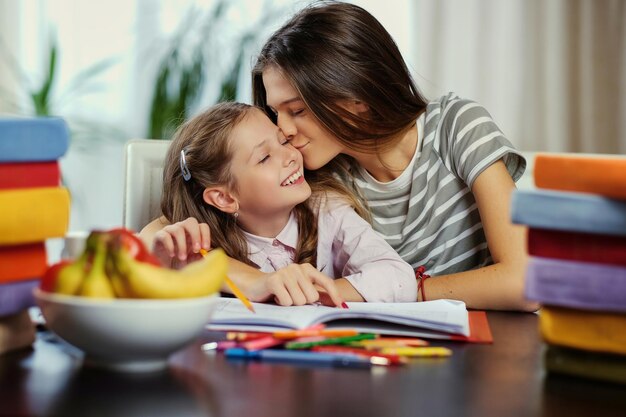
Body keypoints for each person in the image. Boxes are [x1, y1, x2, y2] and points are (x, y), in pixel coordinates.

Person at [143, 2, 538, 312]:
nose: (282, 130)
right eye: (276, 112)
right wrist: (259, 283)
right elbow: (164, 226)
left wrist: (399, 290)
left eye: (296, 111)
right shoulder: (317, 173)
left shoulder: (455, 126)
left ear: (356, 98)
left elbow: (524, 281)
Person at [150, 101, 417, 306]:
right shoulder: (205, 246)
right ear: (225, 198)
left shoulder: (327, 211)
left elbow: (399, 277)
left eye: (282, 140)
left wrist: (309, 291)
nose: (290, 155)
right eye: (264, 158)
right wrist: (163, 259)